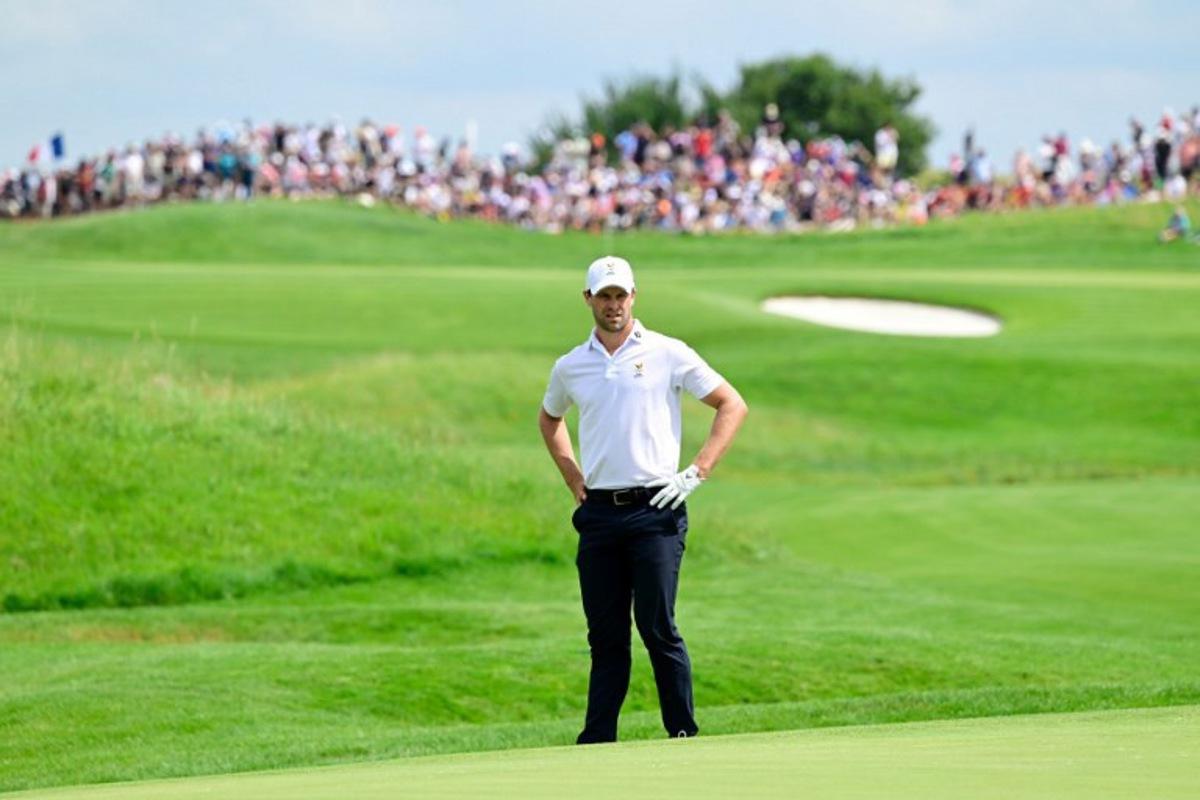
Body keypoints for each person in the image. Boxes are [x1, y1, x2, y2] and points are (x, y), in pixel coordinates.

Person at [538, 255, 749, 744]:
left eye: (621, 295)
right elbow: (550, 419)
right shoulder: (571, 366)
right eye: (604, 296)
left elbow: (731, 404)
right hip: (598, 514)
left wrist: (698, 471)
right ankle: (597, 739)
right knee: (605, 637)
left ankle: (681, 731)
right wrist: (572, 475)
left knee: (657, 627)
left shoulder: (667, 352)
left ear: (634, 296)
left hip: (657, 509)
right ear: (588, 299)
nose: (613, 305)